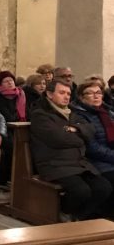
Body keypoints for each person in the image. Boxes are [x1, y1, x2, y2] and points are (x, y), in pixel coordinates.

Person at [30, 80, 112, 221]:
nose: (66, 96)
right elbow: (59, 139)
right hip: (55, 164)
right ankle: (65, 212)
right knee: (81, 191)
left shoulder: (72, 113)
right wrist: (81, 137)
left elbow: (90, 129)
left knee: (104, 188)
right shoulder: (41, 115)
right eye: (62, 93)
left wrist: (75, 130)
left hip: (79, 163)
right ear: (49, 94)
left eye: (68, 93)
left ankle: (79, 217)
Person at [72, 81, 114, 215]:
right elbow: (92, 148)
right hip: (93, 161)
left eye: (98, 93)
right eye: (90, 93)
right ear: (81, 97)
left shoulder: (108, 112)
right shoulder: (79, 116)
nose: (96, 96)